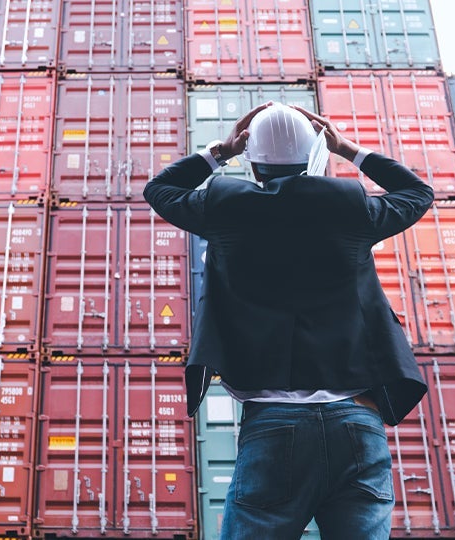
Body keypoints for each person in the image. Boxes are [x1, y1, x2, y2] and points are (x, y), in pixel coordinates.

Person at [143, 102, 434, 539]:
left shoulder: (224, 206)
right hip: (357, 421)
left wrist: (220, 152)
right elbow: (417, 193)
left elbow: (160, 190)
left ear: (253, 160)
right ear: (314, 152)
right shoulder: (350, 204)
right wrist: (348, 150)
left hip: (273, 424)